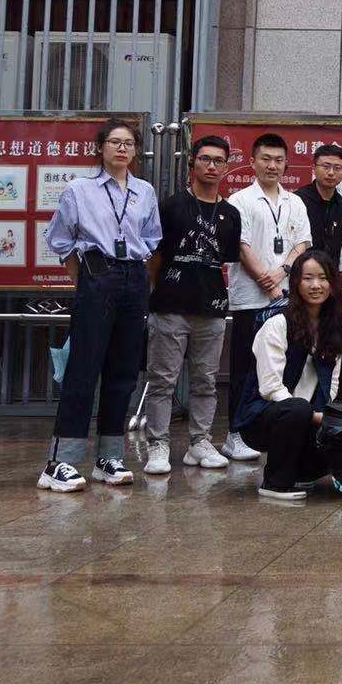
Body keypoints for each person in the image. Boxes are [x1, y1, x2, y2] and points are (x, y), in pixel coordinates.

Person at [37, 119, 162, 492]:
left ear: (136, 151)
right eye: (115, 142)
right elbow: (60, 240)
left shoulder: (144, 191)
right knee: (83, 369)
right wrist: (86, 281)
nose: (122, 149)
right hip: (97, 274)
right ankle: (60, 461)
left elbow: (151, 238)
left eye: (129, 143)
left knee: (123, 373)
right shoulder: (80, 189)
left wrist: (138, 280)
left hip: (134, 278)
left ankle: (109, 458)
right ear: (100, 148)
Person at [142, 135, 242, 475]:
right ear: (192, 163)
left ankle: (200, 442)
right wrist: (162, 290)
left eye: (219, 161)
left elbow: (224, 261)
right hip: (170, 307)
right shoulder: (171, 206)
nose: (212, 166)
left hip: (211, 309)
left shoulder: (230, 214)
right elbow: (155, 258)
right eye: (205, 159)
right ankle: (158, 444)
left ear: (226, 167)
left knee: (206, 381)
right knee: (162, 380)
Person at [232, 250, 342, 500]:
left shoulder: (335, 327)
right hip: (264, 417)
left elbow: (332, 382)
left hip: (307, 416)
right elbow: (270, 387)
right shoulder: (278, 324)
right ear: (295, 282)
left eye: (323, 278)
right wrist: (312, 416)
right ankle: (275, 484)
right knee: (297, 409)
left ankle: (301, 472)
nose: (316, 285)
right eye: (308, 278)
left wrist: (326, 418)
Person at [224, 133, 312, 462]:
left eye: (278, 160)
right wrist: (269, 283)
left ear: (286, 164)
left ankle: (273, 430)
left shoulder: (294, 202)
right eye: (266, 159)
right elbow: (241, 246)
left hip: (288, 300)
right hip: (251, 299)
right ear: (253, 162)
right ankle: (235, 434)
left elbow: (303, 243)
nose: (272, 165)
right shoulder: (240, 200)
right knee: (245, 368)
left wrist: (283, 271)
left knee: (281, 368)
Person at [295, 142, 342, 263]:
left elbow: (336, 250)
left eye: (337, 168)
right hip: (300, 271)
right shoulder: (297, 200)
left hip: (329, 272)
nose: (331, 173)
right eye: (326, 166)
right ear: (314, 168)